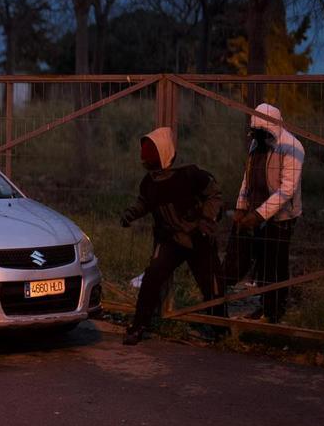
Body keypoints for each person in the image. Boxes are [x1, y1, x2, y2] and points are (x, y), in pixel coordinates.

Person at [119, 127, 224, 346]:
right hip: (171, 240)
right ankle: (139, 326)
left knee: (211, 283)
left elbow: (214, 193)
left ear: (163, 154)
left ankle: (221, 331)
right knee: (152, 276)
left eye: (150, 155)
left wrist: (206, 219)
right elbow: (144, 202)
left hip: (198, 236)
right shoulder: (149, 182)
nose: (145, 161)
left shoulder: (189, 174)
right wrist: (131, 214)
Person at [222, 103, 304, 323]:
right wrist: (241, 205)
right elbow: (247, 176)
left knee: (275, 262)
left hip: (282, 216)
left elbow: (287, 190)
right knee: (260, 258)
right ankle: (265, 306)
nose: (257, 137)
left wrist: (259, 215)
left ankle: (275, 311)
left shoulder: (292, 147)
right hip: (256, 208)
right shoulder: (256, 144)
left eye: (261, 133)